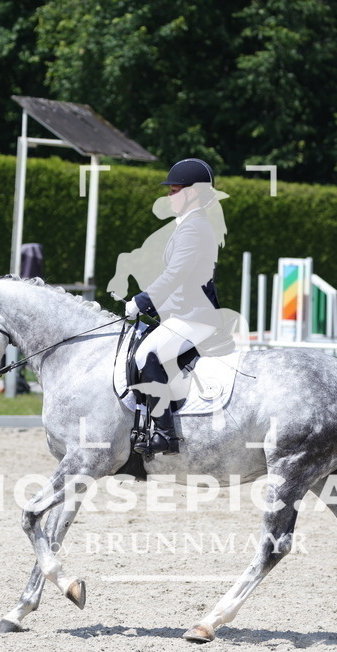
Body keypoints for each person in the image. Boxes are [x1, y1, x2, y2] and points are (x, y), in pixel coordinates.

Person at [107, 158, 230, 456]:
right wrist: (152, 309)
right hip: (184, 313)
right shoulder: (188, 225)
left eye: (175, 190)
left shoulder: (194, 227)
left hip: (195, 316)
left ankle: (165, 434)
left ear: (193, 193)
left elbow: (176, 274)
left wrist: (142, 301)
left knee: (147, 356)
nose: (169, 195)